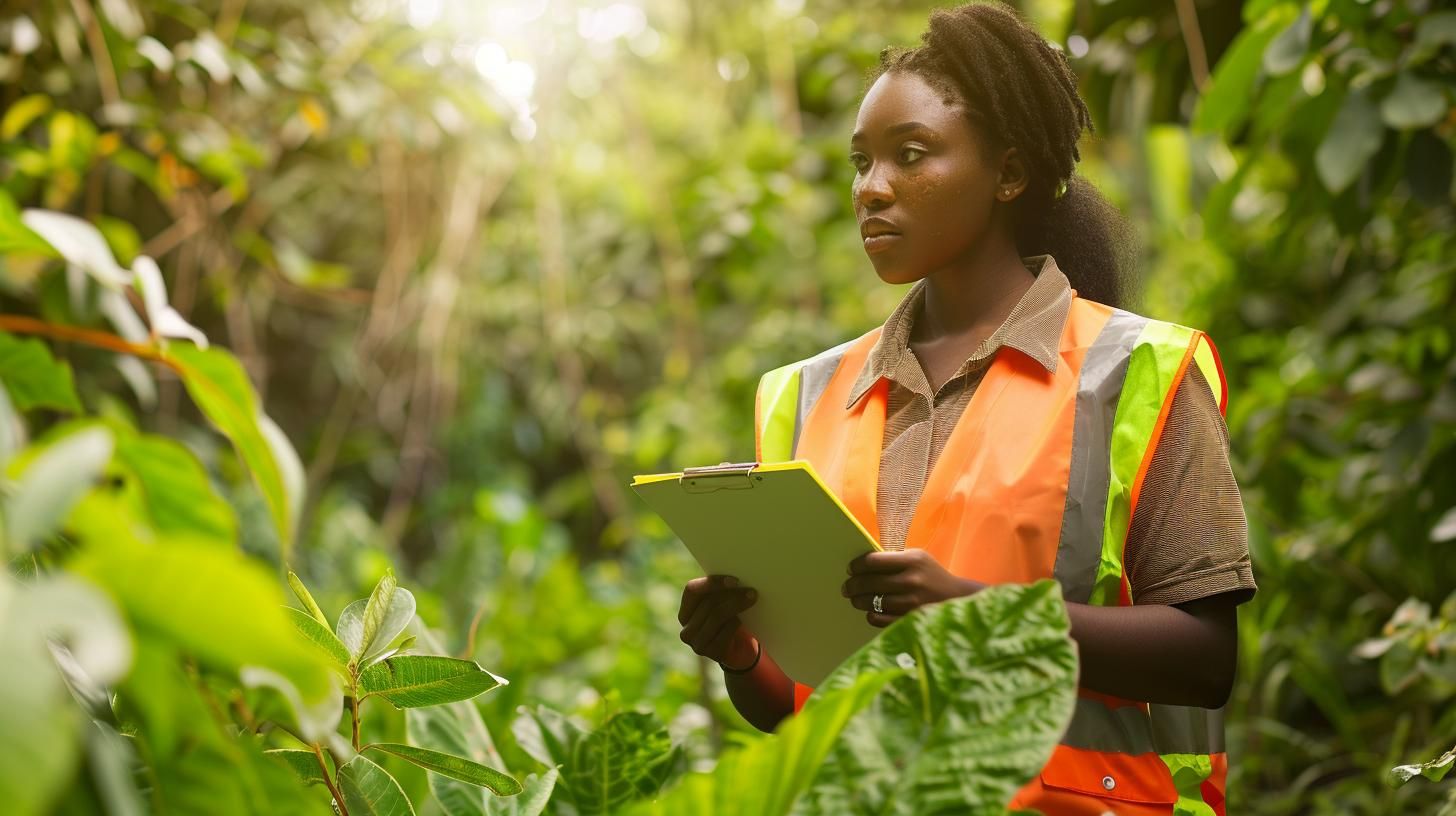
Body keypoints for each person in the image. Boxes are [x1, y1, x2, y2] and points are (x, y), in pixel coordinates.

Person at [675, 3, 1255, 813]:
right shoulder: (801, 396)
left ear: (1008, 174)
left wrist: (976, 614)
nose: (871, 189)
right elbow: (795, 706)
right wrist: (741, 654)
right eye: (860, 162)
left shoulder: (1141, 370)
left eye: (910, 155)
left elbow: (1204, 659)